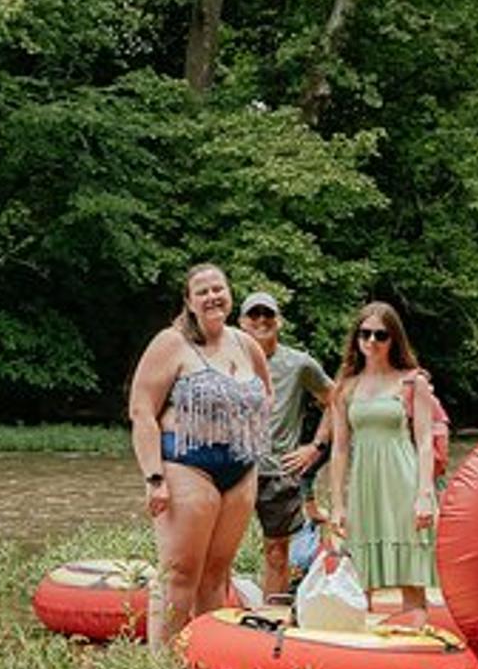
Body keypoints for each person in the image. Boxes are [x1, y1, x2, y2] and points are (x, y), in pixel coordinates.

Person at [128, 264, 272, 648]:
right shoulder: (170, 343)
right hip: (187, 464)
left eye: (218, 289)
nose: (212, 297)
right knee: (179, 574)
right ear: (189, 302)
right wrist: (154, 478)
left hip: (240, 467)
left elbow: (266, 395)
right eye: (202, 291)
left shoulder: (246, 344)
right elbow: (141, 410)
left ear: (230, 294)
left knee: (217, 574)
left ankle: (205, 663)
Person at [327, 303, 439, 622]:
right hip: (364, 488)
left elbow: (424, 443)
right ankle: (362, 660)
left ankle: (415, 656)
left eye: (381, 334)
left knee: (411, 579)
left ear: (394, 339)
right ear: (356, 338)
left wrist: (424, 494)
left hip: (403, 484)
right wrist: (337, 504)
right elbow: (339, 450)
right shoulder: (344, 388)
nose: (372, 341)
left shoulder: (412, 382)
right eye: (365, 333)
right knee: (359, 578)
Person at [237, 291, 333, 603]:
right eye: (254, 315)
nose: (261, 321)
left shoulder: (299, 364)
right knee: (217, 551)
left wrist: (315, 447)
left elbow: (336, 401)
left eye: (268, 315)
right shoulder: (226, 359)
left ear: (279, 321)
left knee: (277, 553)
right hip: (231, 469)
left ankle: (270, 620)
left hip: (278, 472)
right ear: (241, 322)